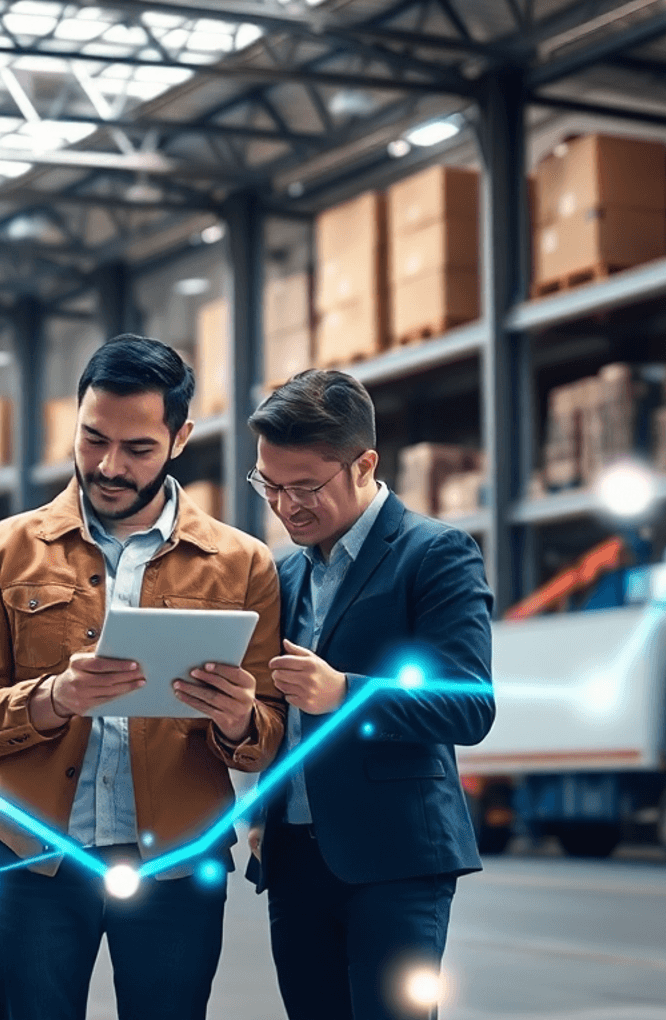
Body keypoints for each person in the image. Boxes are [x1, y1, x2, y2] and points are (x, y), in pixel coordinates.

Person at [0, 335, 286, 1020]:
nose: (109, 466)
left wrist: (241, 721)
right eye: (93, 439)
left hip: (177, 864)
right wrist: (52, 698)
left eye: (137, 449)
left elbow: (271, 736)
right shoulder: (4, 551)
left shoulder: (243, 566)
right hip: (32, 858)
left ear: (180, 437)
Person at [227, 368, 494, 1020]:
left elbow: (469, 704)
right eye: (271, 486)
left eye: (305, 488)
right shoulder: (280, 572)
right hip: (292, 859)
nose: (287, 506)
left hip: (395, 862)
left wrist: (345, 692)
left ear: (365, 463)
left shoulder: (434, 554)